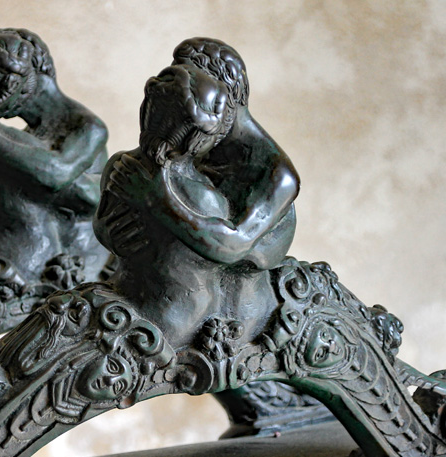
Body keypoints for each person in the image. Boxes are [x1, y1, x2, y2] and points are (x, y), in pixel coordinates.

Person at [94, 63, 298, 348]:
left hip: (161, 307)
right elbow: (106, 229)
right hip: (167, 307)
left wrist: (151, 205)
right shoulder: (201, 193)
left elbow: (233, 247)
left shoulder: (121, 165)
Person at [0, 28, 109, 283]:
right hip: (23, 256)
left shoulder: (86, 127)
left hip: (75, 266)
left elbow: (58, 174)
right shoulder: (21, 143)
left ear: (18, 86)